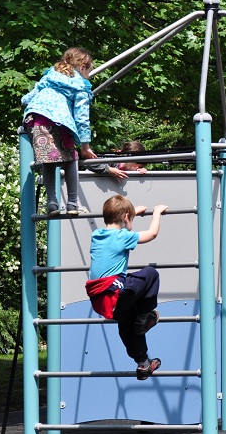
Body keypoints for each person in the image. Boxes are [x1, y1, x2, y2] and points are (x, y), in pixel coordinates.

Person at [85, 195, 168, 380]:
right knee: (150, 274)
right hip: (115, 292)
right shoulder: (122, 236)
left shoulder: (97, 235)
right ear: (125, 217)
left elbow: (118, 224)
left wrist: (132, 213)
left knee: (128, 323)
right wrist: (157, 213)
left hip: (101, 301)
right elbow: (152, 234)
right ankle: (144, 317)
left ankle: (143, 363)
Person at [22, 47, 97, 215]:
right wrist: (85, 146)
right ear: (82, 67)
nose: (88, 76)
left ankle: (52, 203)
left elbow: (28, 98)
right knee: (71, 159)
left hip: (35, 121)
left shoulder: (51, 76)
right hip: (59, 121)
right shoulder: (80, 86)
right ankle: (72, 204)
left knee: (48, 160)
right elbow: (82, 118)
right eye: (88, 72)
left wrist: (25, 100)